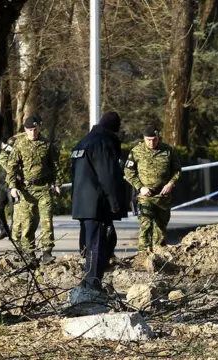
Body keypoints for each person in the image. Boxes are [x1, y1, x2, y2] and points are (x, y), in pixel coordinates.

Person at [70, 111, 127, 295]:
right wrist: (116, 204)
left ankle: (89, 280)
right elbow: (108, 175)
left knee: (89, 243)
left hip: (82, 203)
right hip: (97, 204)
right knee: (98, 243)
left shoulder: (83, 142)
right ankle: (92, 284)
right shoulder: (102, 143)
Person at [5, 115, 62, 266]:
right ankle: (29, 253)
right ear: (25, 130)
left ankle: (47, 253)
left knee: (47, 221)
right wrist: (12, 186)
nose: (33, 133)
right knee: (28, 222)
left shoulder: (46, 144)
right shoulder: (19, 144)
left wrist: (57, 184)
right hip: (26, 189)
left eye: (35, 129)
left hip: (43, 188)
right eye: (30, 130)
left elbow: (55, 166)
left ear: (40, 128)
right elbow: (11, 167)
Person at [124, 124, 181, 253]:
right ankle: (143, 253)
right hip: (145, 196)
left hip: (163, 197)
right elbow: (129, 173)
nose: (151, 142)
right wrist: (140, 187)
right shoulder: (136, 151)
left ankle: (158, 254)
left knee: (160, 228)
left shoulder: (167, 151)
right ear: (144, 138)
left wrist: (171, 184)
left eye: (154, 139)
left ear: (158, 138)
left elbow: (177, 170)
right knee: (146, 224)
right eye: (148, 140)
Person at [0, 134, 13, 240]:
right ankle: (4, 229)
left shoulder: (13, 149)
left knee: (13, 208)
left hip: (12, 183)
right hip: (1, 183)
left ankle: (14, 231)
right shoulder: (1, 152)